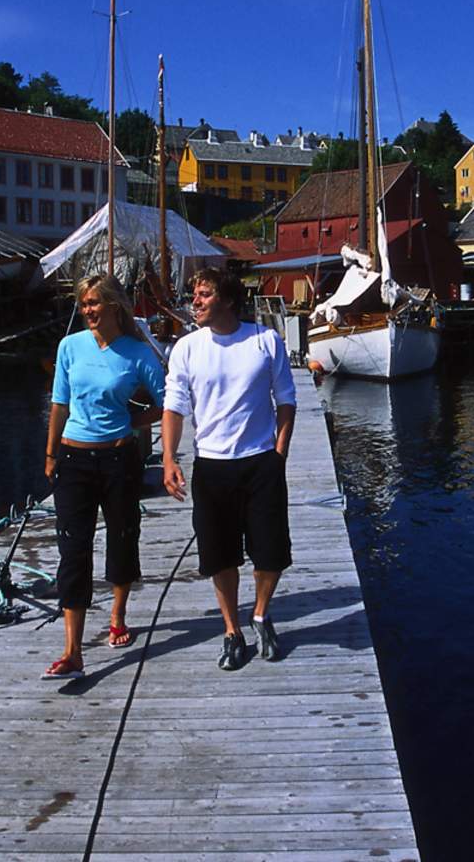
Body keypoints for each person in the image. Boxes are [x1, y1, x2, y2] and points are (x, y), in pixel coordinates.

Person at [161, 268, 297, 671]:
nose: (195, 302)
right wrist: (169, 457)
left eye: (204, 294)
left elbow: (286, 399)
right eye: (195, 294)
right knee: (219, 556)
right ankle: (232, 631)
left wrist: (279, 453)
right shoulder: (186, 348)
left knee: (270, 551)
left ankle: (260, 615)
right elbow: (174, 406)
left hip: (261, 463)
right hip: (212, 466)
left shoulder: (265, 340)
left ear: (229, 300)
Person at [42, 274, 165, 681]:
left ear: (114, 305)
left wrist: (135, 422)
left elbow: (170, 402)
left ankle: (117, 616)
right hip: (73, 460)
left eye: (95, 302)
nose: (89, 310)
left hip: (118, 460)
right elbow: (60, 403)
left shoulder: (137, 353)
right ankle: (72, 651)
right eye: (85, 303)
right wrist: (50, 452)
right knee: (72, 549)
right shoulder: (69, 347)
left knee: (122, 536)